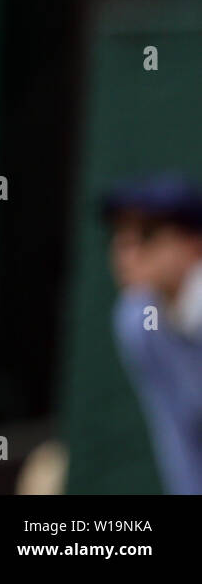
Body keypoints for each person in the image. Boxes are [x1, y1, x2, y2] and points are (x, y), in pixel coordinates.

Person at [103, 172, 202, 495]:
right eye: (120, 235)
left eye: (147, 234)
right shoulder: (136, 321)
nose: (126, 251)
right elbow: (174, 435)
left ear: (193, 243)